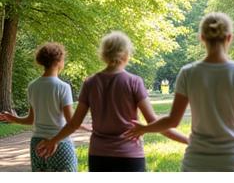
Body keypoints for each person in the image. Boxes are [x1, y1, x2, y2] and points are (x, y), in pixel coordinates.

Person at [123, 12, 234, 172]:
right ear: (229, 38)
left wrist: (145, 128)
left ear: (202, 38)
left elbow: (172, 121)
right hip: (233, 160)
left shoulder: (188, 73)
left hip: (196, 162)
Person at [36, 31, 188, 172]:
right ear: (126, 54)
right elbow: (153, 122)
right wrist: (189, 141)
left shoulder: (90, 83)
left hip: (98, 156)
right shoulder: (134, 82)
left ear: (103, 54)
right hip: (130, 156)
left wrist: (53, 141)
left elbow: (74, 123)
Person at [0, 42, 87, 172]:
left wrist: (13, 118)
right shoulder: (63, 87)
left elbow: (31, 119)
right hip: (60, 144)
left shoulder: (32, 86)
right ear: (59, 61)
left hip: (37, 145)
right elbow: (71, 123)